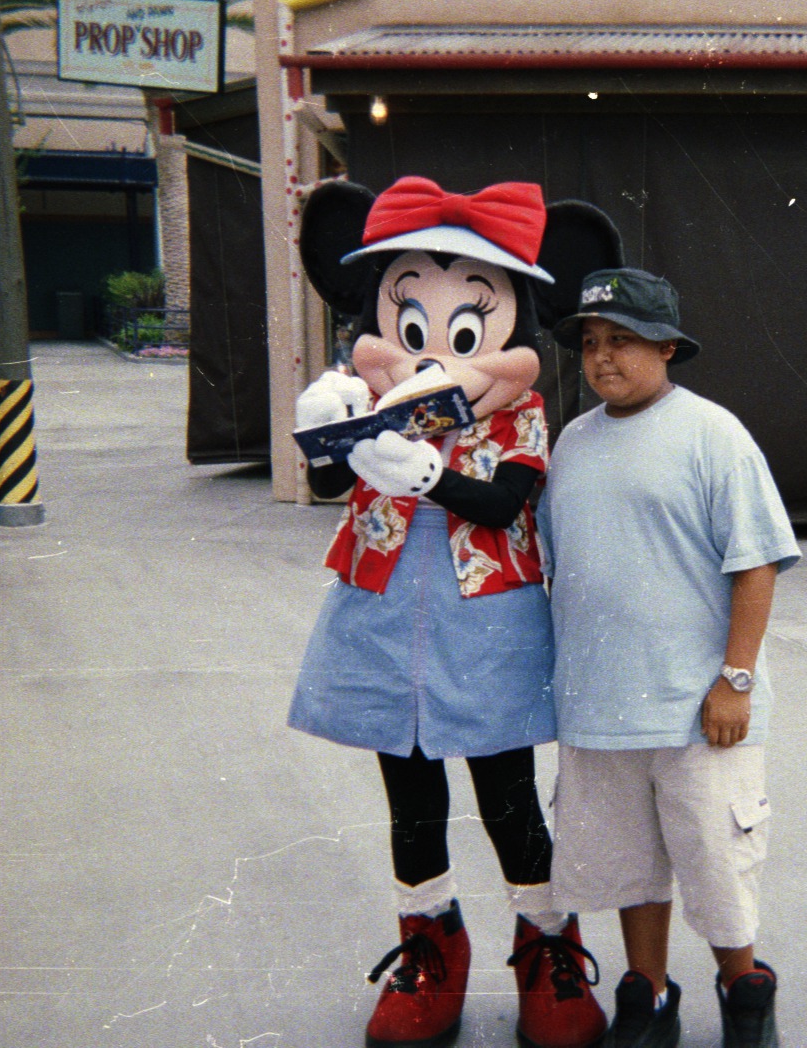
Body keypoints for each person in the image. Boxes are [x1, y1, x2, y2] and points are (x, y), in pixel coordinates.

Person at [288, 176, 612, 1048]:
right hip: (384, 615)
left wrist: (429, 474)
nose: (435, 350)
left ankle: (546, 941)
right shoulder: (371, 400)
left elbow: (508, 504)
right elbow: (326, 481)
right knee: (410, 792)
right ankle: (431, 943)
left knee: (508, 794)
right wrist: (324, 430)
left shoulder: (523, 415)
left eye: (464, 328)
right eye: (414, 322)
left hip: (489, 623)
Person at [538, 268, 801, 1048]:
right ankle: (646, 998)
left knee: (717, 867)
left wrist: (735, 680)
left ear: (666, 346)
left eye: (620, 340)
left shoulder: (713, 433)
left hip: (698, 710)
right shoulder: (573, 445)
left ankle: (743, 995)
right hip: (598, 707)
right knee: (625, 867)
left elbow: (756, 562)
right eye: (589, 343)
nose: (601, 358)